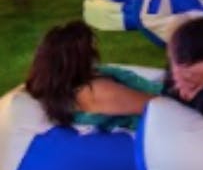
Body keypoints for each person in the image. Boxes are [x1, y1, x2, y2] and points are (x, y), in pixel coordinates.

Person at [24, 22, 162, 131]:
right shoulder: (94, 92)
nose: (95, 55)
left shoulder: (56, 88)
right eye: (91, 51)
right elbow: (161, 107)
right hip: (159, 126)